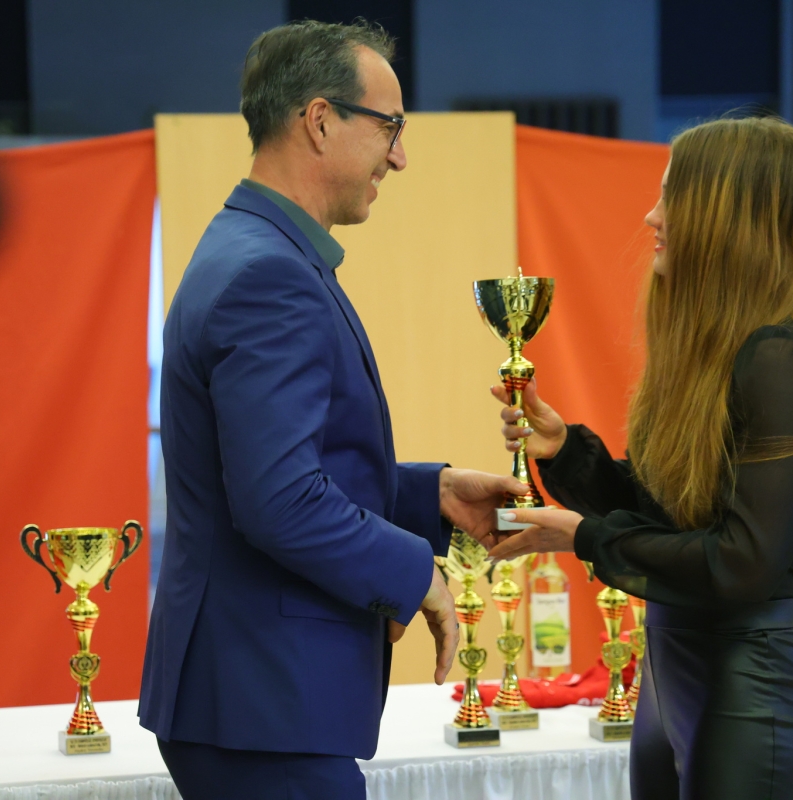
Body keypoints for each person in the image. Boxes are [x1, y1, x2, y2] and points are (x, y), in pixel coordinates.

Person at [138, 21, 525, 800]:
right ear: (319, 120)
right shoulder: (269, 275)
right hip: (261, 702)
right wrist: (416, 575)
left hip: (253, 700)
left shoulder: (256, 251)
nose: (399, 156)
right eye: (390, 127)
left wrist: (429, 493)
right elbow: (279, 501)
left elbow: (270, 469)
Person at [489, 117, 793, 799]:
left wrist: (585, 537)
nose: (651, 216)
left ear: (724, 218)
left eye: (670, 198)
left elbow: (741, 562)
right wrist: (566, 451)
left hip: (749, 691)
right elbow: (668, 516)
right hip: (677, 673)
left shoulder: (781, 360)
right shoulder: (720, 356)